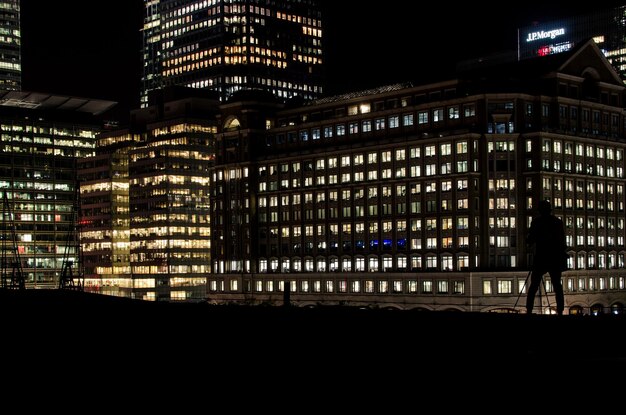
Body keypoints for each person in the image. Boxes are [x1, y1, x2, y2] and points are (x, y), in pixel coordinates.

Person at [526, 200, 567, 315]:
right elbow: (562, 241)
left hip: (541, 257)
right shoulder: (557, 222)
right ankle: (560, 310)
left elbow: (530, 239)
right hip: (554, 258)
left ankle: (529, 310)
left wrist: (529, 240)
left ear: (540, 211)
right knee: (557, 285)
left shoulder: (537, 222)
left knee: (533, 286)